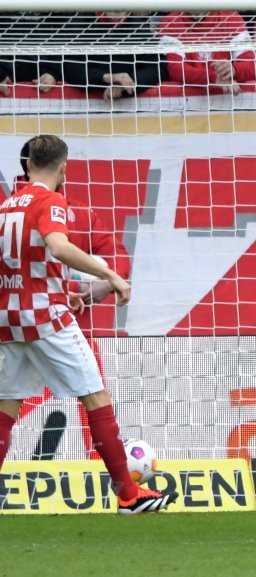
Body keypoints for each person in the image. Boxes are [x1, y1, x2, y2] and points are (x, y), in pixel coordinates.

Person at [0, 135, 176, 515]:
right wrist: (111, 275)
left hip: (9, 319)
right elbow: (60, 248)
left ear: (27, 165)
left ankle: (129, 492)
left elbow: (25, 265)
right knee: (96, 396)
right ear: (64, 167)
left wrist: (65, 289)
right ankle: (129, 493)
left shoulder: (6, 206)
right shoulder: (52, 201)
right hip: (47, 319)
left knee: (5, 409)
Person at [61, 12, 166, 101]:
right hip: (84, 106)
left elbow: (157, 68)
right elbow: (68, 67)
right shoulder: (79, 25)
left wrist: (128, 82)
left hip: (129, 107)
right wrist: (106, 77)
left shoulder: (138, 27)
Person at [159, 11, 256, 95]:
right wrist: (212, 78)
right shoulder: (171, 22)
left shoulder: (231, 18)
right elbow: (175, 69)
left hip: (229, 102)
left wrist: (233, 70)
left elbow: (252, 66)